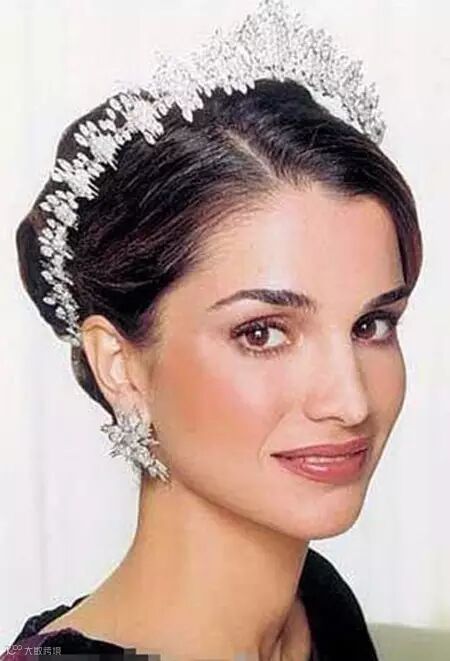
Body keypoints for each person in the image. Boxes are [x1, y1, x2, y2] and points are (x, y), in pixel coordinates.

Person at [3, 1, 422, 659]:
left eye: (372, 324)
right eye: (263, 333)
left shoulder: (317, 605)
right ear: (119, 365)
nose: (350, 400)